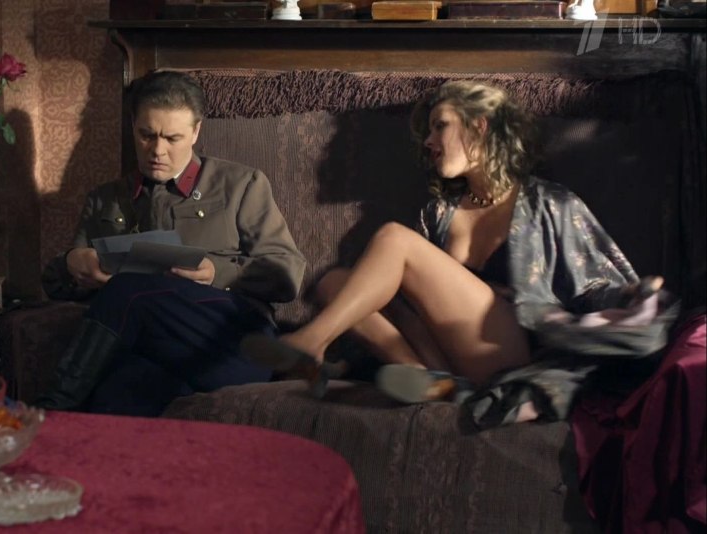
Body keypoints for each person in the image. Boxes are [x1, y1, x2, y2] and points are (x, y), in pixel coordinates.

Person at [243, 80, 665, 422]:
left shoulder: (549, 204)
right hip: (444, 351)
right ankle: (428, 381)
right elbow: (403, 297)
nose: (429, 142)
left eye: (439, 126)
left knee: (393, 239)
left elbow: (594, 284)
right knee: (335, 282)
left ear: (479, 126)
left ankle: (310, 343)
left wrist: (631, 296)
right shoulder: (439, 213)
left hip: (508, 350)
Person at [37, 71, 307, 415]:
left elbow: (287, 274)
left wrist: (218, 272)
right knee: (116, 395)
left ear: (195, 132)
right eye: (146, 135)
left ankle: (50, 411)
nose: (157, 151)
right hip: (158, 349)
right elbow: (54, 285)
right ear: (133, 126)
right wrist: (71, 264)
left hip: (231, 341)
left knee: (128, 288)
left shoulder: (241, 184)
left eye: (172, 138)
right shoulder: (107, 198)